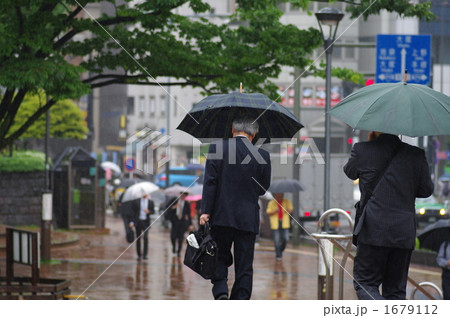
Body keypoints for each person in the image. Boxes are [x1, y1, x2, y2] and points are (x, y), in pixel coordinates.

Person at [344, 131, 434, 300]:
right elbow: (426, 190)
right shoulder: (416, 154)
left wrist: (372, 142)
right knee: (396, 291)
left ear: (375, 129)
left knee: (365, 283)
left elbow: (350, 171)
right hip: (403, 232)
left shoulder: (362, 149)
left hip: (373, 230)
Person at [200, 116, 271, 300]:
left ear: (233, 130)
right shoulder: (262, 156)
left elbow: (210, 183)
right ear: (253, 134)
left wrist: (205, 211)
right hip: (248, 219)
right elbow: (263, 189)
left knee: (219, 257)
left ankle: (221, 292)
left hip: (221, 216)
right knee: (245, 267)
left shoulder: (217, 147)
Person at [266, 193, 293, 260]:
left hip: (284, 223)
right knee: (277, 240)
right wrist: (275, 211)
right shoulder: (272, 203)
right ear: (275, 196)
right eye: (278, 195)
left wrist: (288, 210)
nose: (280, 197)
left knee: (286, 239)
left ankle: (280, 250)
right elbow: (268, 212)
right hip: (275, 223)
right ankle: (278, 255)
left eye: (281, 195)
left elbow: (291, 210)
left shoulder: (287, 201)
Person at [129, 193, 155, 261]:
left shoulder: (150, 202)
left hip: (146, 222)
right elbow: (132, 212)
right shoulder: (136, 201)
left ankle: (145, 255)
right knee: (138, 238)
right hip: (138, 222)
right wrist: (132, 222)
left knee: (146, 238)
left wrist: (149, 211)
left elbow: (153, 211)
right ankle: (139, 255)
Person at [168, 192, 192, 256]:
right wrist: (174, 207)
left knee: (181, 237)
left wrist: (190, 224)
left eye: (184, 195)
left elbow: (188, 214)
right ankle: (174, 247)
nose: (183, 196)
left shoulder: (187, 204)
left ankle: (178, 251)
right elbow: (168, 210)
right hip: (175, 221)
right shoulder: (174, 201)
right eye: (182, 195)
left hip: (182, 222)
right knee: (173, 236)